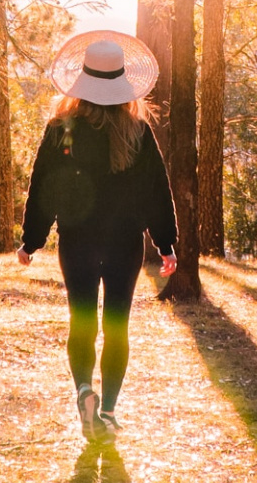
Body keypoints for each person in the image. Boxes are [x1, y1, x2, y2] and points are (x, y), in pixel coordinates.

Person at [17, 30, 178, 440]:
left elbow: (42, 187)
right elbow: (157, 190)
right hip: (125, 242)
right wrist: (166, 244)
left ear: (82, 82)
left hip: (78, 240)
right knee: (117, 324)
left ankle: (84, 390)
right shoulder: (138, 132)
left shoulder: (61, 128)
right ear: (123, 84)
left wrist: (31, 240)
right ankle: (107, 411)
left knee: (82, 321)